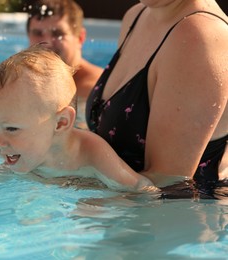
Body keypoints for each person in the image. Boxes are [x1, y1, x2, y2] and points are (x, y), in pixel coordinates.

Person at [85, 0, 228, 186]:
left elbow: (166, 186)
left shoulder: (199, 36)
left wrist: (69, 181)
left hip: (179, 212)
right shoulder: (137, 15)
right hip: (115, 207)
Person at [0, 44, 156, 192]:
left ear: (61, 123)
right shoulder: (22, 153)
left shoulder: (90, 152)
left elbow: (139, 187)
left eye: (11, 129)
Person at [25, 0, 104, 128]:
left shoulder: (96, 89)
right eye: (38, 33)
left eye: (58, 34)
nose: (47, 43)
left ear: (80, 37)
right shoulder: (19, 79)